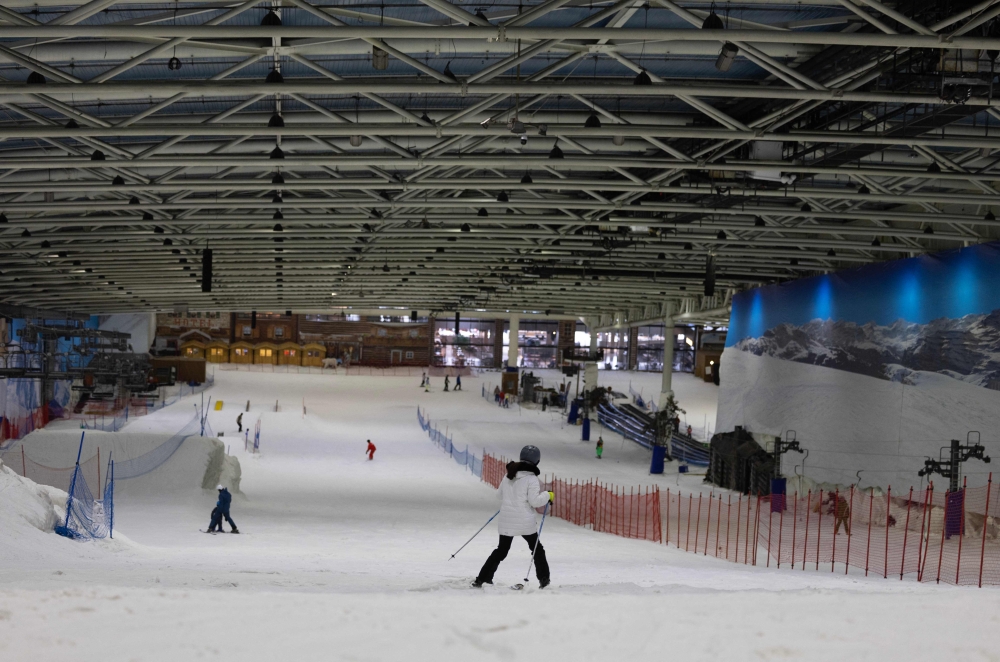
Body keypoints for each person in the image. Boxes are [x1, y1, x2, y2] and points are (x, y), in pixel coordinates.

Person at [473, 445, 553, 588]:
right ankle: (544, 579)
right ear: (537, 461)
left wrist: (512, 497)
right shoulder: (531, 478)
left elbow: (499, 495)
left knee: (501, 551)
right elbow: (535, 501)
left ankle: (482, 578)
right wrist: (548, 495)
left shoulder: (509, 474)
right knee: (537, 550)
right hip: (525, 523)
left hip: (506, 521)